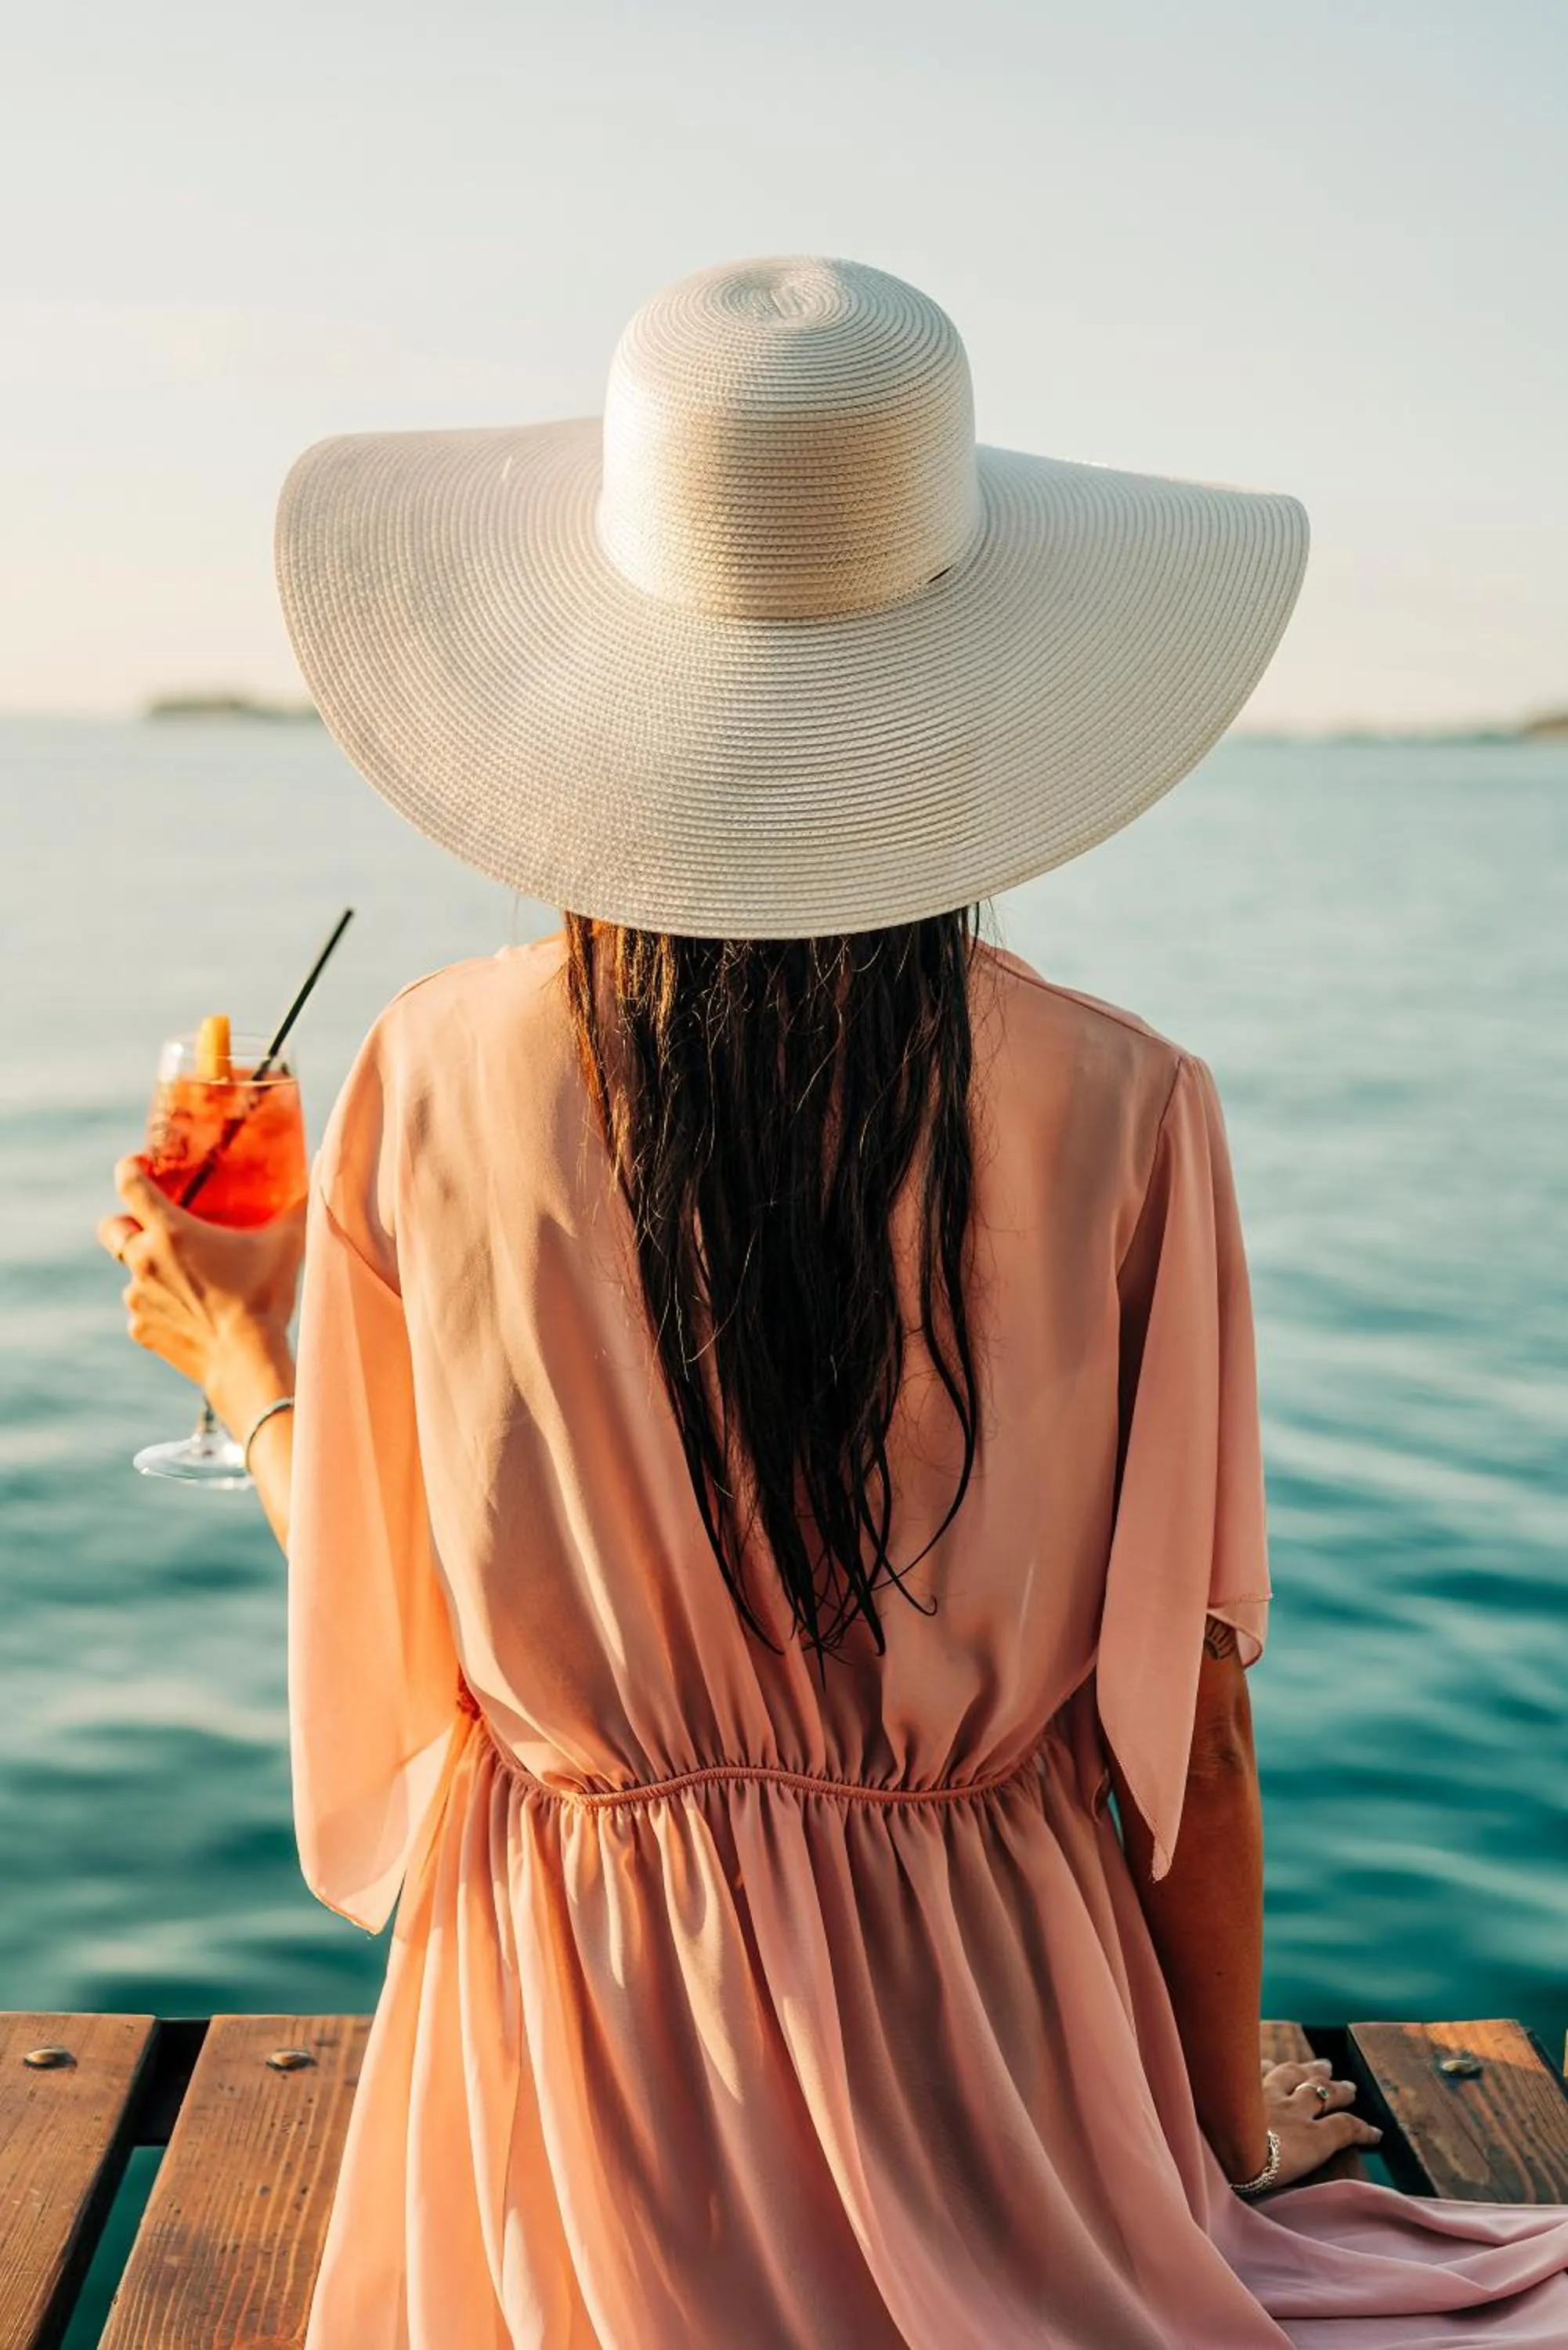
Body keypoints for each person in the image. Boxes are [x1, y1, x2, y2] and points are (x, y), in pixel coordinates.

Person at [99, 258, 1568, 2345]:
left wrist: (239, 1350)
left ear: (581, 694)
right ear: (980, 692)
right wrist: (1214, 2165)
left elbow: (401, 1637)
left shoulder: (424, 1071)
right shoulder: (1134, 1109)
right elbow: (1201, 1744)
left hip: (577, 2082)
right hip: (1004, 2067)